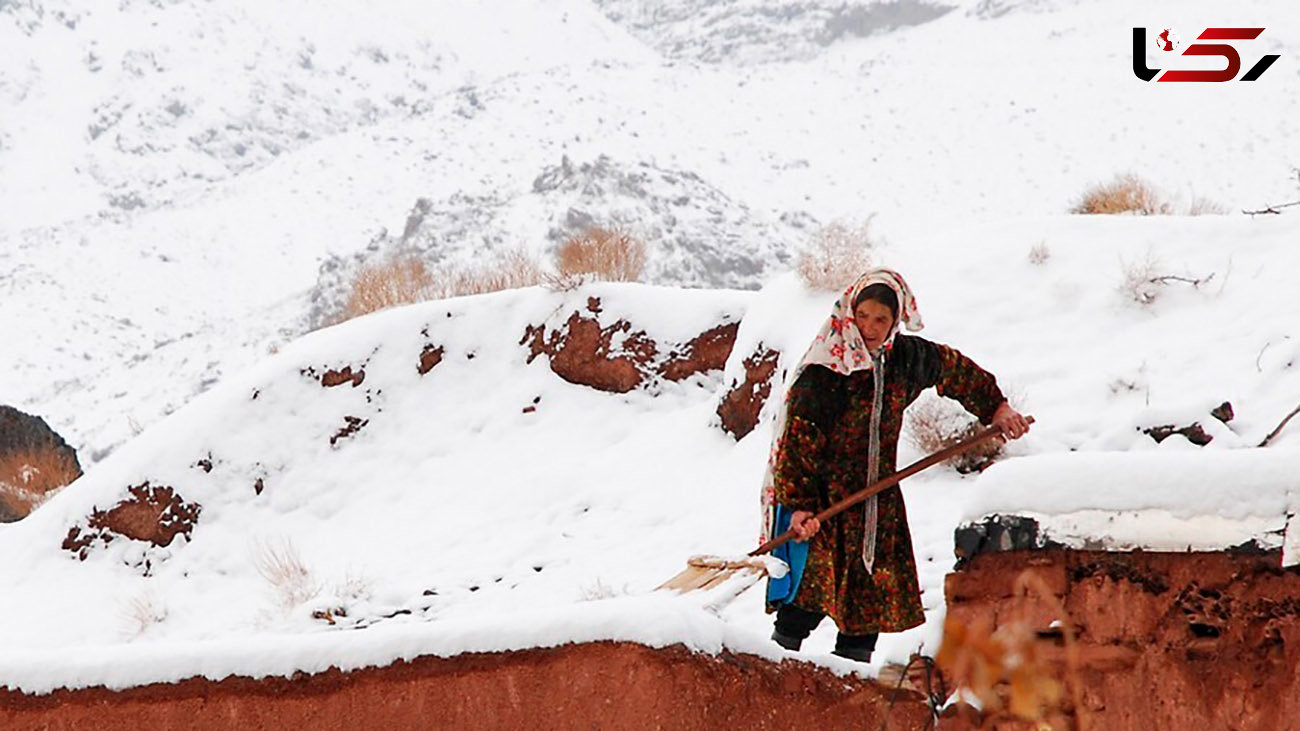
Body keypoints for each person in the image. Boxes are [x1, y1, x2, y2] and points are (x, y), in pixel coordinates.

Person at [760, 267, 1030, 662]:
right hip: (825, 506)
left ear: (895, 320)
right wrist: (800, 506)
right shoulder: (824, 371)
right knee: (803, 605)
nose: (869, 327)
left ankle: (852, 695)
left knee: (865, 610)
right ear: (849, 313)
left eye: (881, 319)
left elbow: (954, 370)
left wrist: (997, 407)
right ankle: (773, 682)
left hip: (876, 507)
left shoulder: (906, 360)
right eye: (863, 316)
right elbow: (796, 448)